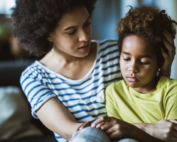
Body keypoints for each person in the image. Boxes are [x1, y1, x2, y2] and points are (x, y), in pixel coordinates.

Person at [11, 0, 176, 142]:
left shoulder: (117, 53)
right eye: (71, 31)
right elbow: (74, 132)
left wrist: (163, 70)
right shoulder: (34, 78)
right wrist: (146, 128)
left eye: (87, 24)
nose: (84, 36)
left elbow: (149, 98)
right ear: (47, 34)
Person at [91, 6, 177, 142]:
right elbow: (116, 136)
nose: (132, 68)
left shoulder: (172, 91)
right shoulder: (113, 92)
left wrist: (131, 130)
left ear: (160, 62)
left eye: (143, 62)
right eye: (126, 59)